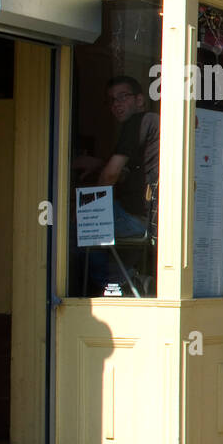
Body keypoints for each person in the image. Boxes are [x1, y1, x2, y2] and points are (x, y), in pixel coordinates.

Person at [80, 76, 160, 292]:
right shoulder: (153, 122)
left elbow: (111, 176)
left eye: (123, 97)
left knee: (72, 224)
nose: (116, 104)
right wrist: (99, 164)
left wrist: (91, 205)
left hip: (138, 219)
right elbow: (130, 172)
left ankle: (113, 282)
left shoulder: (136, 122)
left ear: (140, 100)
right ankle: (130, 278)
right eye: (112, 100)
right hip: (154, 222)